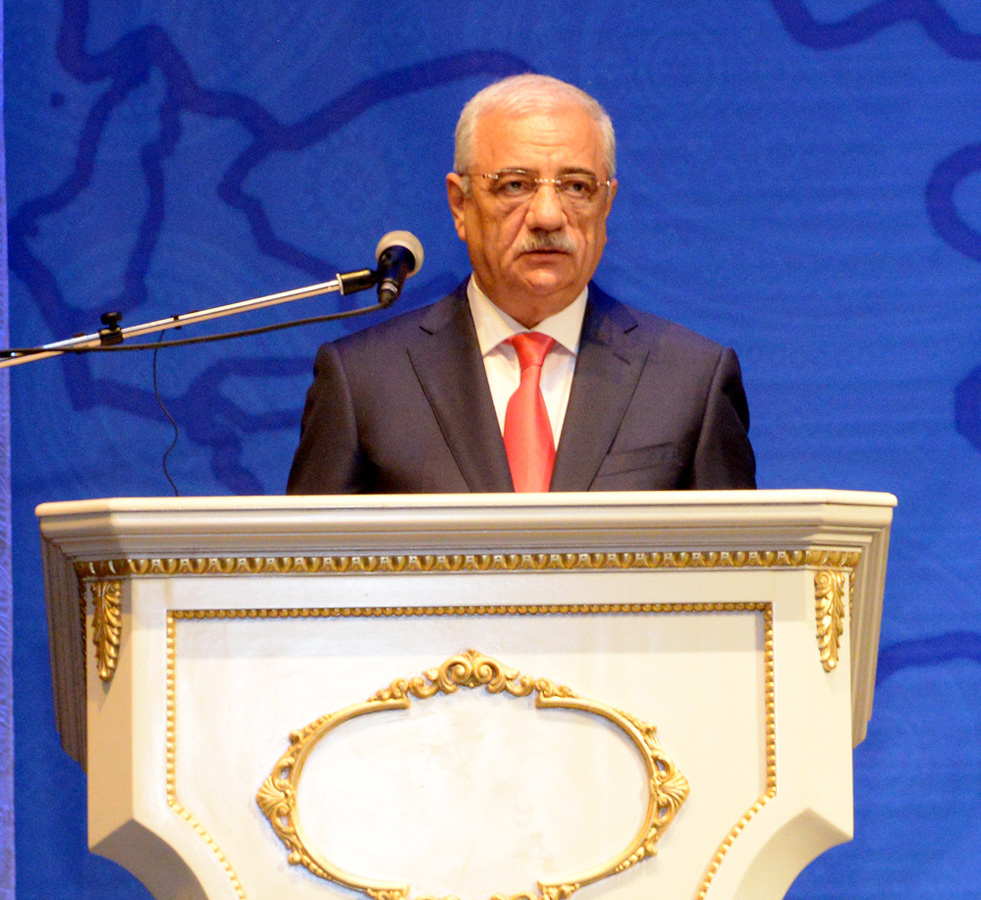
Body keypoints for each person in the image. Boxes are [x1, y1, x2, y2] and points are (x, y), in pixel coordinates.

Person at [287, 74, 755, 494]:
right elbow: (309, 561)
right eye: (515, 185)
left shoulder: (690, 381)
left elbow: (739, 561)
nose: (548, 216)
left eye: (576, 186)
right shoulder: (364, 383)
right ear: (460, 204)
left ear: (606, 204)